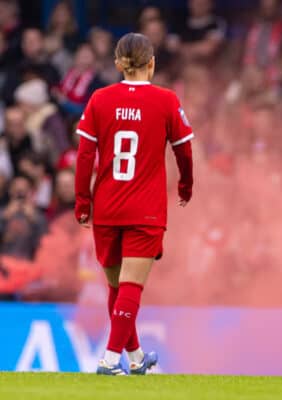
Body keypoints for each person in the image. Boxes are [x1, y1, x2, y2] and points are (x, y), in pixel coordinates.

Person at [74, 33, 194, 375]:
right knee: (130, 287)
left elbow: (85, 156)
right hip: (146, 208)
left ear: (117, 64)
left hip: (107, 206)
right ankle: (110, 360)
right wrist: (186, 184)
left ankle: (137, 358)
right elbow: (183, 150)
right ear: (152, 63)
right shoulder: (166, 101)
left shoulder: (99, 99)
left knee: (117, 287)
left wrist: (83, 201)